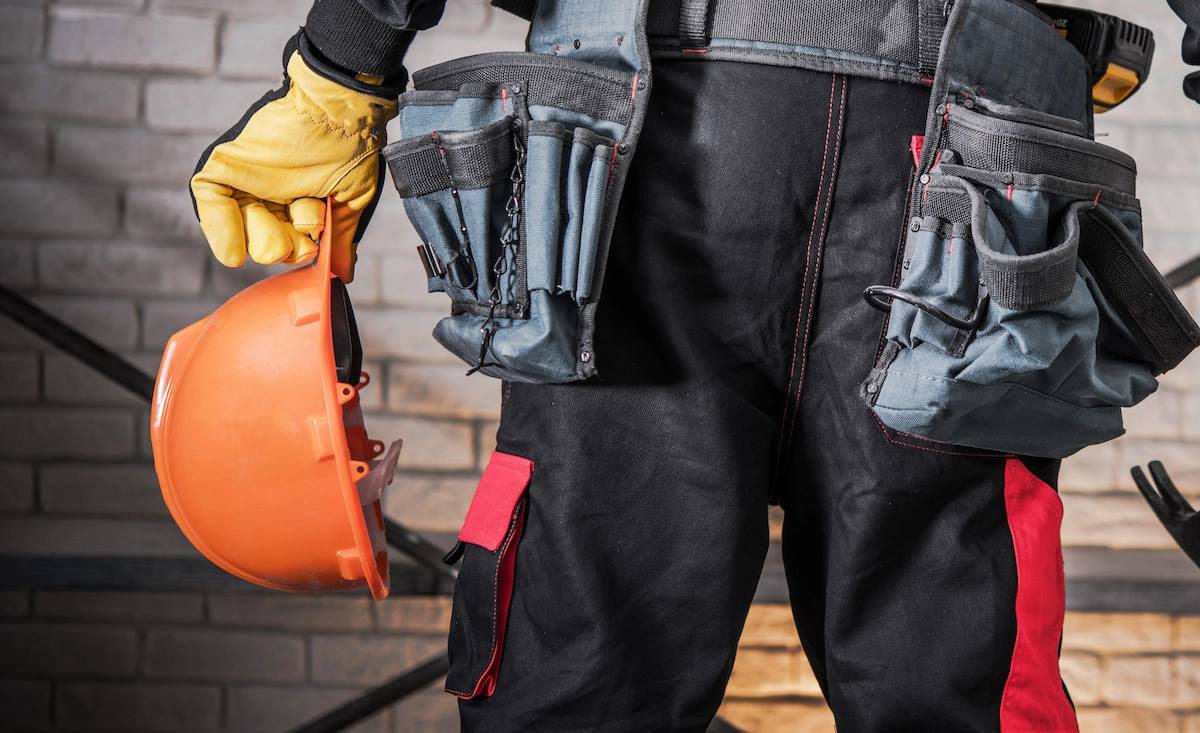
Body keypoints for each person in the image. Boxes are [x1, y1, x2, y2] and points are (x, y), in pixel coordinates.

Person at [189, 1, 1200, 730]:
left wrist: (342, 66)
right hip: (979, 152)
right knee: (961, 688)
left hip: (656, 125)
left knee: (583, 681)